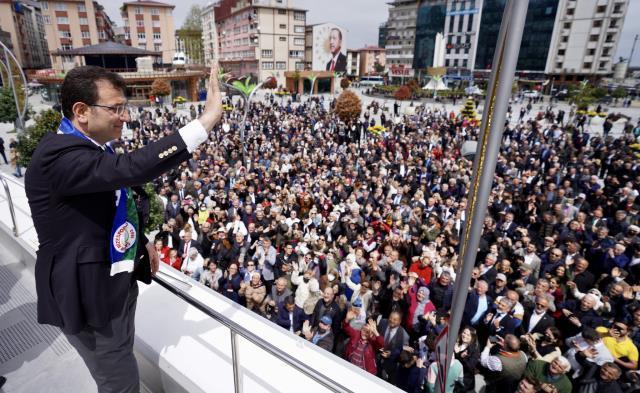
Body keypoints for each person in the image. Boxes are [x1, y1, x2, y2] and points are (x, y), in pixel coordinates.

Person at [24, 63, 222, 392]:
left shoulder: (91, 147)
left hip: (114, 284)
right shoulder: (59, 158)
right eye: (116, 108)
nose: (125, 117)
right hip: (89, 300)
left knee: (122, 357)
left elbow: (111, 204)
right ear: (82, 111)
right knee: (121, 382)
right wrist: (206, 121)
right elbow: (131, 169)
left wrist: (140, 240)